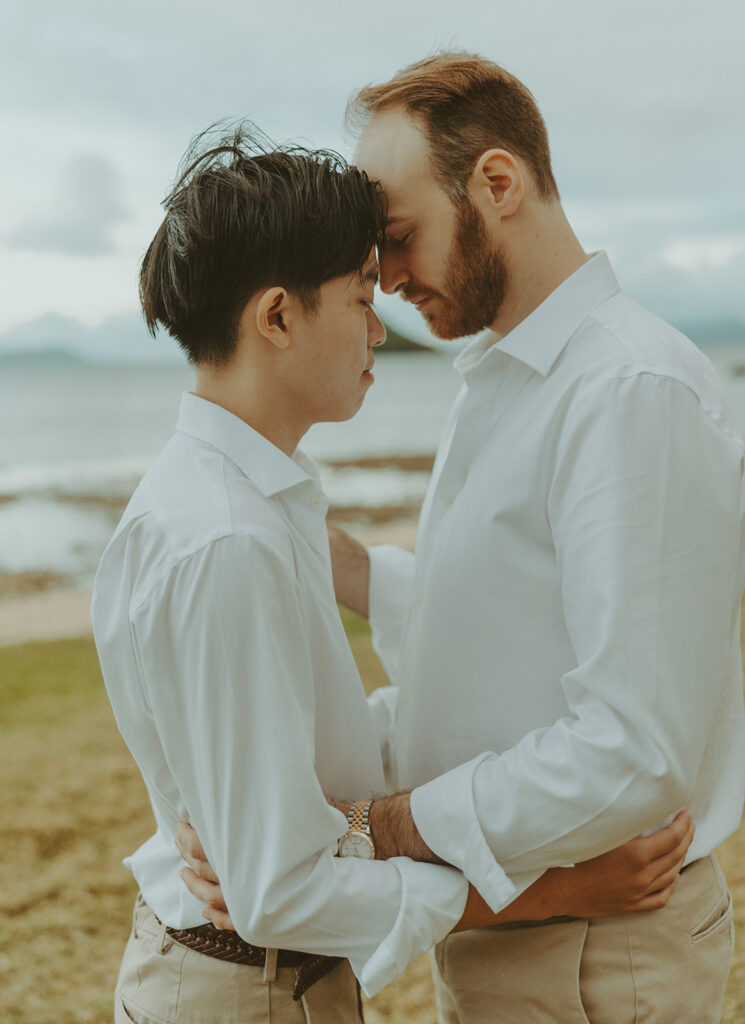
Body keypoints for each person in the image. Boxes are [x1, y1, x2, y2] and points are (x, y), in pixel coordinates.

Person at [181, 55, 745, 1024]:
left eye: (397, 237)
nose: (385, 278)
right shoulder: (506, 376)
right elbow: (507, 633)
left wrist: (380, 828)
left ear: (497, 182)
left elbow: (632, 747)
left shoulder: (625, 393)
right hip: (528, 926)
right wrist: (353, 574)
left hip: (594, 952)